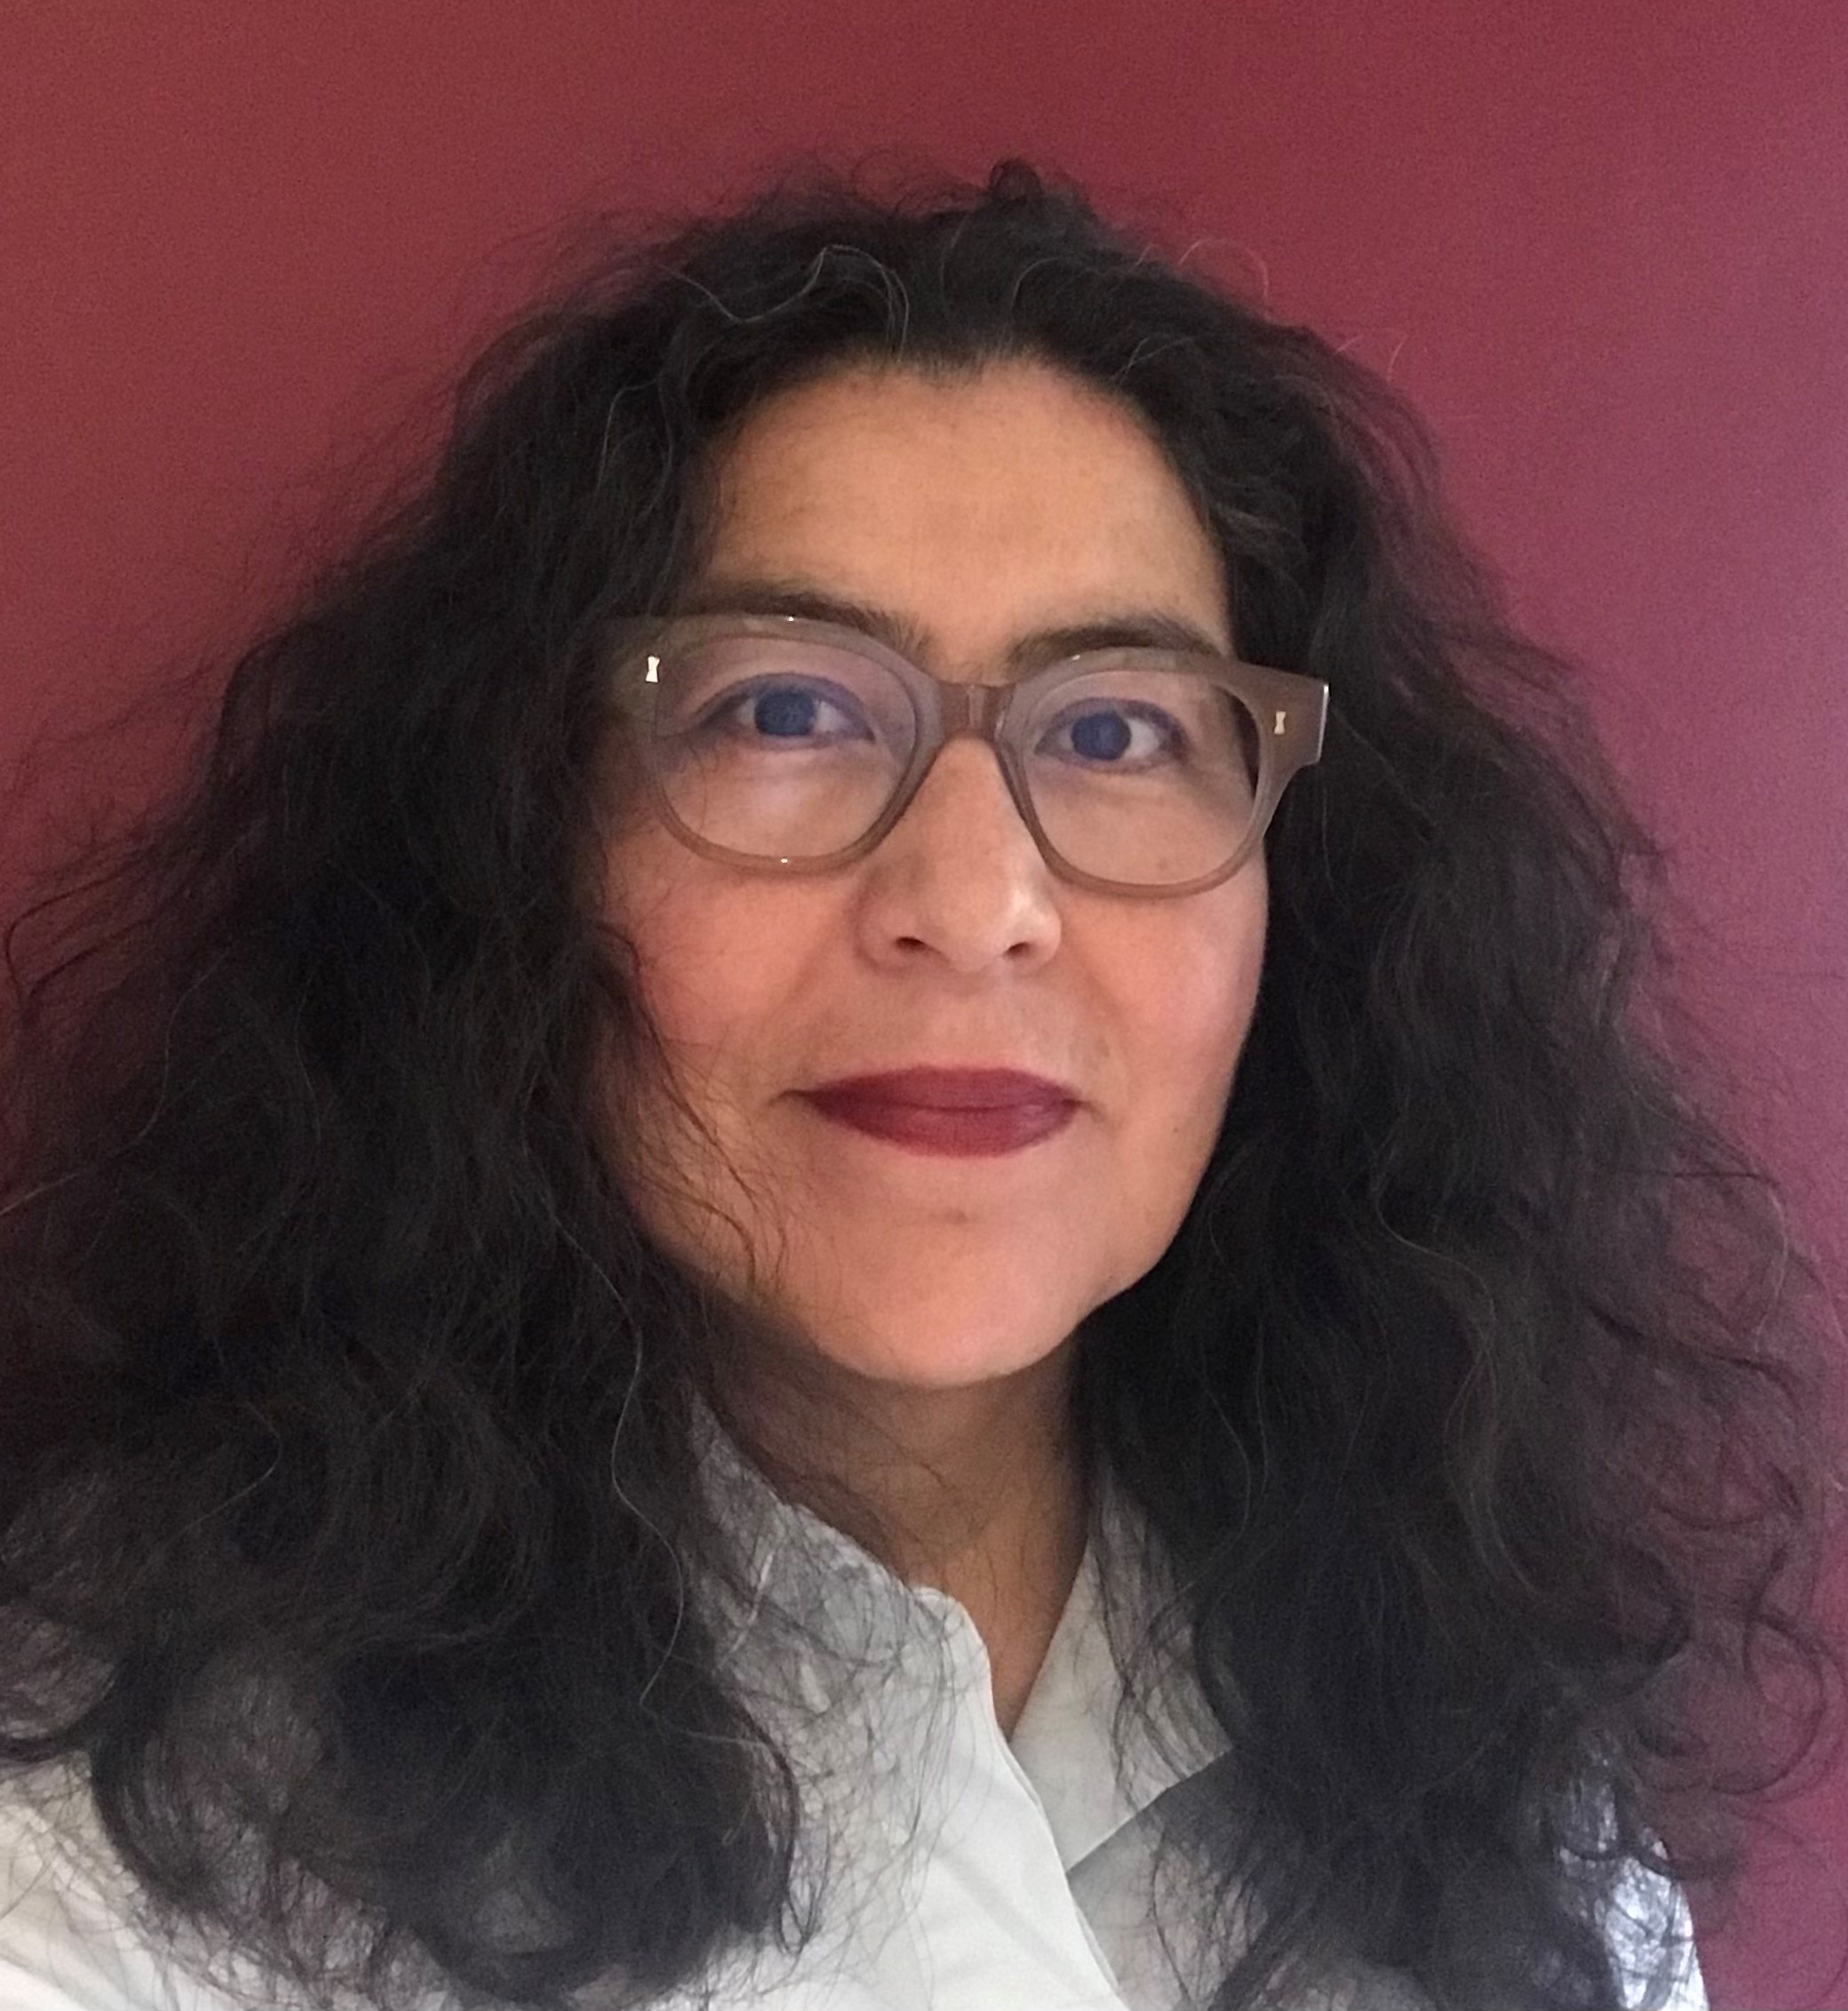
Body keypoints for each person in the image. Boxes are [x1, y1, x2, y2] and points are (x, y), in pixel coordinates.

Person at [0, 158, 1837, 2011]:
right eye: (783, 710)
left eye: (1117, 728)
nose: (974, 905)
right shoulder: (117, 1865)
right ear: (522, 851)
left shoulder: (1491, 1758)